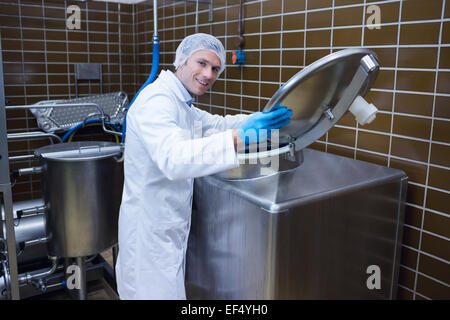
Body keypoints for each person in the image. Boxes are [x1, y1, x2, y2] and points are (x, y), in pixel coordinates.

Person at [115, 33, 292, 299]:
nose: (208, 74)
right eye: (201, 63)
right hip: (148, 236)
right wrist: (239, 137)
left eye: (215, 68)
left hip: (167, 231)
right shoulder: (157, 101)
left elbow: (215, 124)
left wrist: (255, 120)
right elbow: (173, 159)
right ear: (182, 60)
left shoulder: (182, 104)